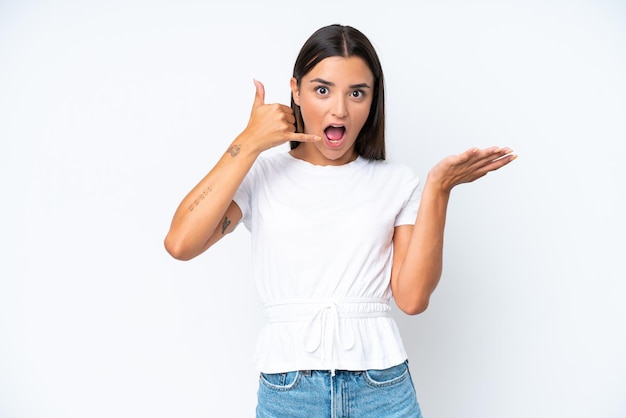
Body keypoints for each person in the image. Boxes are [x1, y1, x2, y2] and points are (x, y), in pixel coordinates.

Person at [164, 24, 516, 418]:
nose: (339, 110)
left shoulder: (396, 182)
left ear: (372, 99)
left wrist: (439, 188)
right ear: (295, 90)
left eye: (357, 93)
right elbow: (181, 243)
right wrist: (248, 142)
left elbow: (413, 299)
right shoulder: (261, 175)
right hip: (288, 392)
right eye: (322, 89)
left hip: (381, 390)